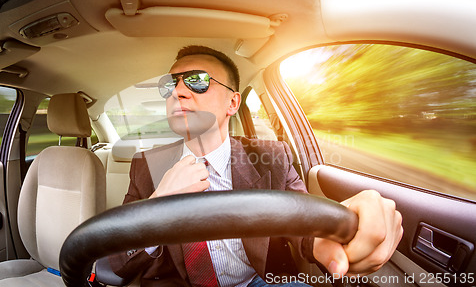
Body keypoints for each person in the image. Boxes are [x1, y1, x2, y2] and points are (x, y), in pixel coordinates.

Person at [108, 45, 403, 287]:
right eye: (170, 84)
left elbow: (303, 219)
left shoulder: (272, 157)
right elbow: (119, 262)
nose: (178, 92)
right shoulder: (146, 166)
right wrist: (158, 207)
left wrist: (333, 233)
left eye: (197, 80)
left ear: (233, 103)